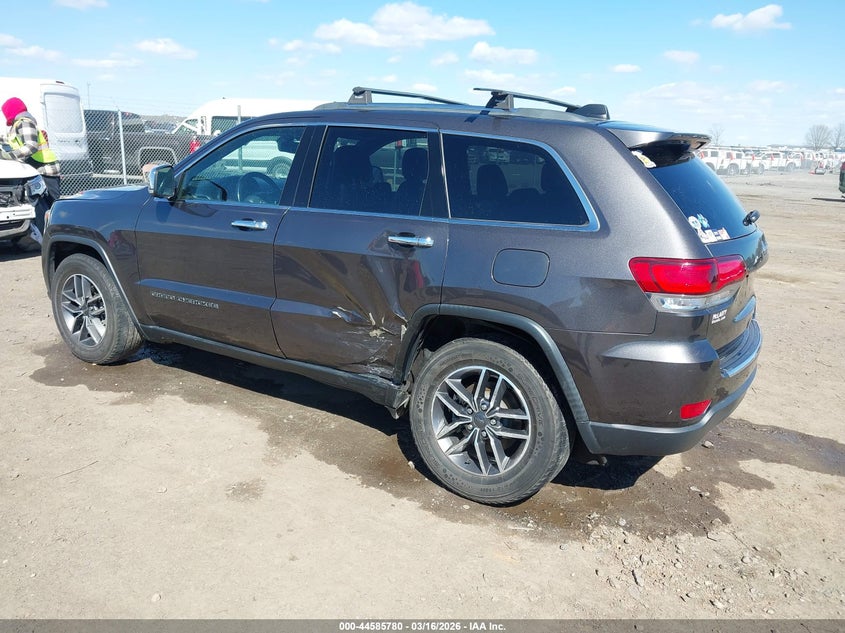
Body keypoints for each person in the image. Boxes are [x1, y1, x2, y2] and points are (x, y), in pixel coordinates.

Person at [0, 97, 61, 246]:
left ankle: (58, 238)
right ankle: (50, 238)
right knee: (44, 208)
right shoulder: (17, 126)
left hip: (46, 170)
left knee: (53, 207)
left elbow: (31, 146)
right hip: (38, 170)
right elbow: (10, 141)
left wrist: (8, 156)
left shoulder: (24, 122)